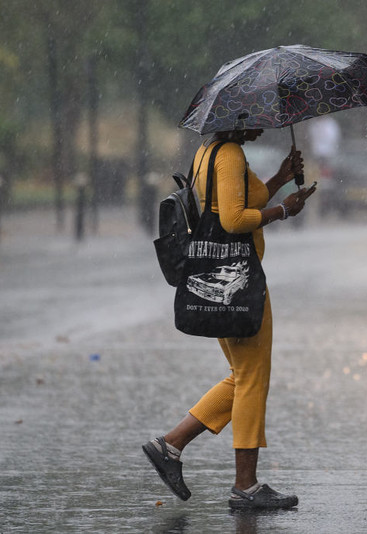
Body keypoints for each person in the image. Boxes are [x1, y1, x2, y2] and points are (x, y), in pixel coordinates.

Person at [142, 127, 314, 510]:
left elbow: (230, 203)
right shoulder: (231, 153)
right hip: (237, 283)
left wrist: (281, 179)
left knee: (242, 376)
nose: (262, 125)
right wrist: (284, 210)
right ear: (238, 116)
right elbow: (235, 220)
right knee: (252, 378)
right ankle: (245, 485)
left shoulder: (209, 150)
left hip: (220, 281)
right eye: (256, 117)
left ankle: (170, 445)